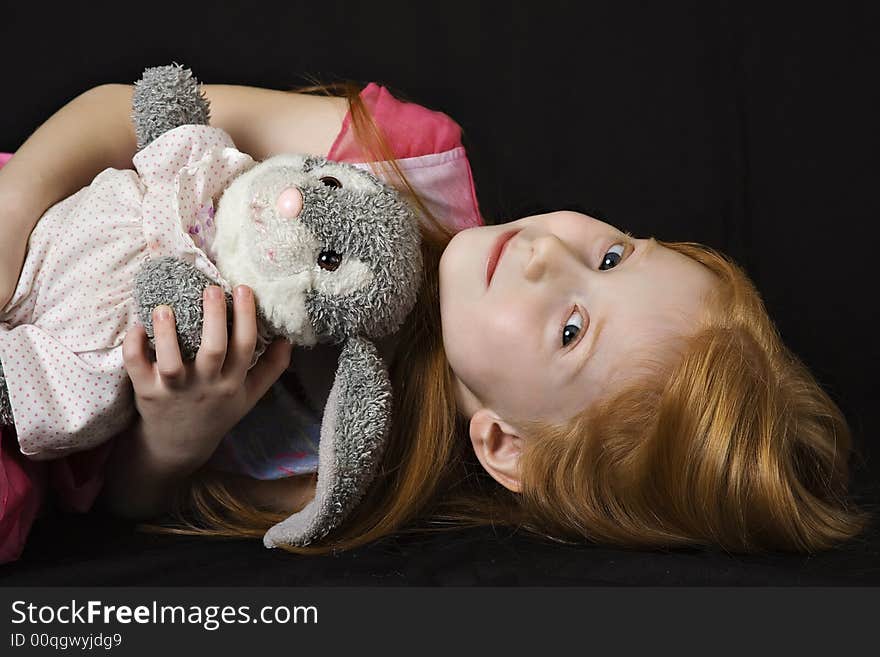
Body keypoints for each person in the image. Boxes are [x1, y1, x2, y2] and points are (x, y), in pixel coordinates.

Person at [0, 79, 870, 563]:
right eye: (613, 255)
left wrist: (177, 433)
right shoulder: (403, 162)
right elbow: (129, 110)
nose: (544, 254)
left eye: (571, 329)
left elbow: (120, 502)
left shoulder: (347, 473)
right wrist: (9, 215)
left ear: (509, 446)